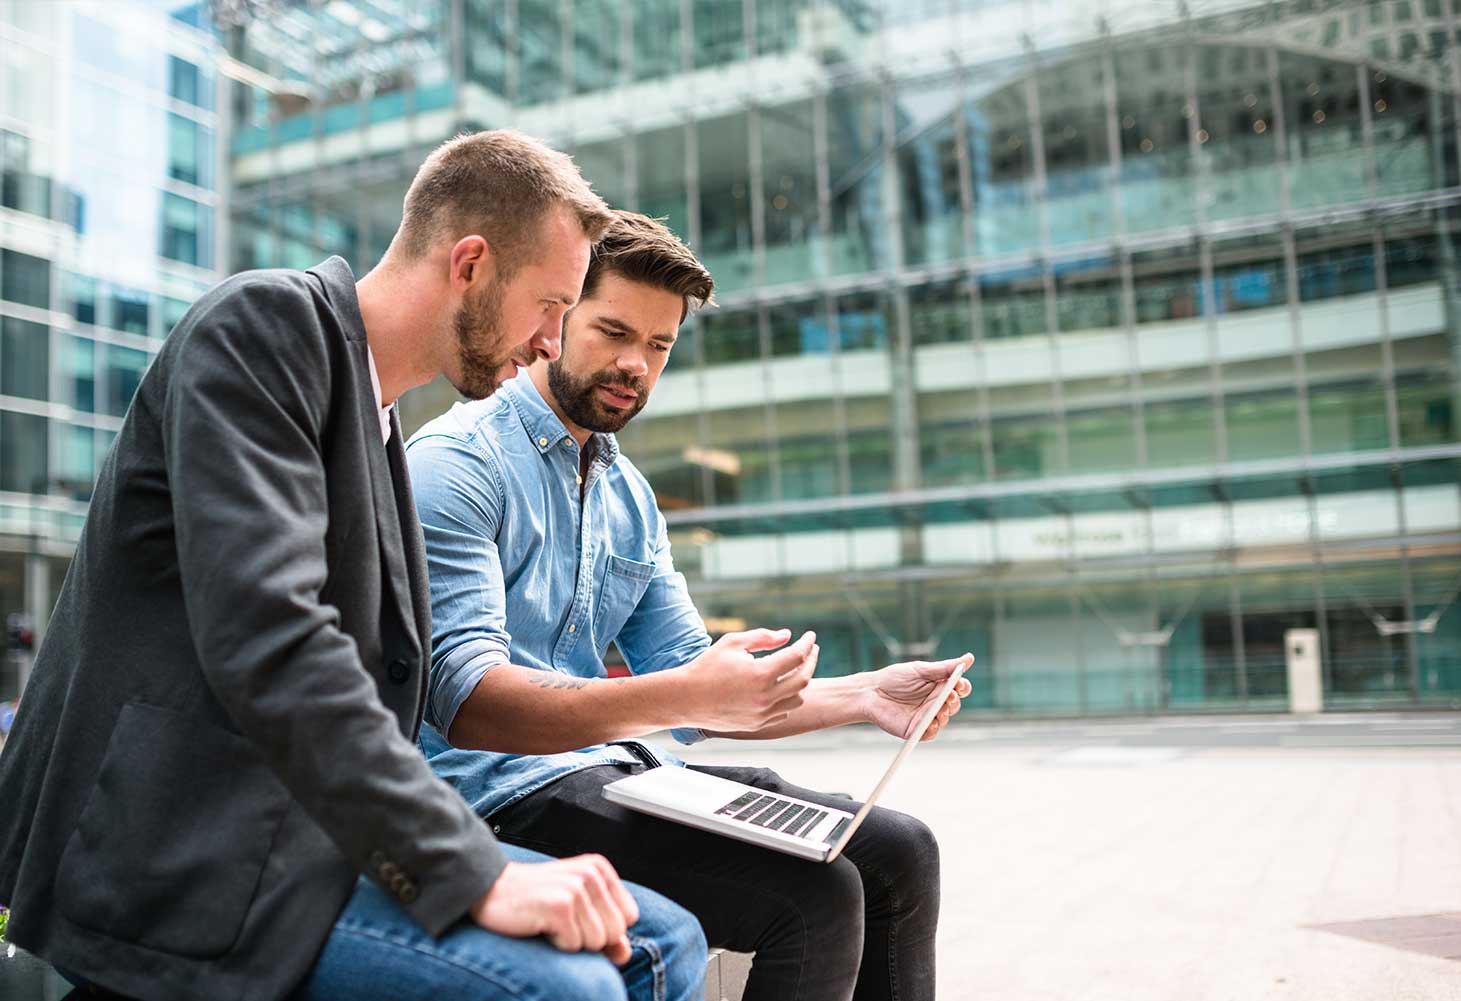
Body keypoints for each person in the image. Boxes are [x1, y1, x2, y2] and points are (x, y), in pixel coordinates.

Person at [0, 133, 706, 1001]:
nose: (550, 343)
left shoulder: (378, 427)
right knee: (568, 986)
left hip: (297, 835)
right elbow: (274, 642)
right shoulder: (262, 328)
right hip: (173, 845)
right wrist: (473, 871)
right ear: (472, 264)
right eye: (552, 305)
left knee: (665, 940)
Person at [407, 211, 974, 1001]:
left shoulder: (628, 494)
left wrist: (865, 694)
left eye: (659, 345)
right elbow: (467, 702)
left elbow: (703, 693)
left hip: (617, 775)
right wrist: (687, 694)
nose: (634, 363)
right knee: (813, 896)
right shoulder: (456, 464)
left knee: (901, 850)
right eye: (611, 330)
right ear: (556, 312)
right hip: (500, 798)